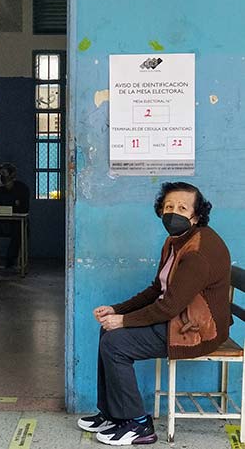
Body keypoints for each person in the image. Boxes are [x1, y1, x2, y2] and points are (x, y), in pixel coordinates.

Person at [77, 182, 231, 446]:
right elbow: (156, 290)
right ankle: (113, 414)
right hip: (180, 319)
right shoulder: (176, 241)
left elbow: (168, 306)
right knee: (107, 330)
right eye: (168, 206)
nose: (173, 213)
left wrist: (123, 321)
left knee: (116, 343)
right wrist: (117, 310)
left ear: (196, 215)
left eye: (182, 208)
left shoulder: (198, 252)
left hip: (198, 329)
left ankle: (138, 424)